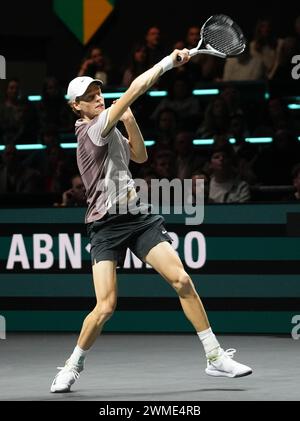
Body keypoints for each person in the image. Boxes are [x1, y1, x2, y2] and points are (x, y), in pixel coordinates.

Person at [50, 48, 252, 393]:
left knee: (182, 280)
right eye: (88, 96)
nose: (97, 97)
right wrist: (167, 64)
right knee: (106, 306)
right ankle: (73, 364)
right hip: (105, 225)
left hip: (139, 218)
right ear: (76, 106)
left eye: (98, 92)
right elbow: (135, 90)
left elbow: (139, 156)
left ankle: (214, 355)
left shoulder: (108, 126)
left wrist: (129, 120)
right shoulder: (91, 132)